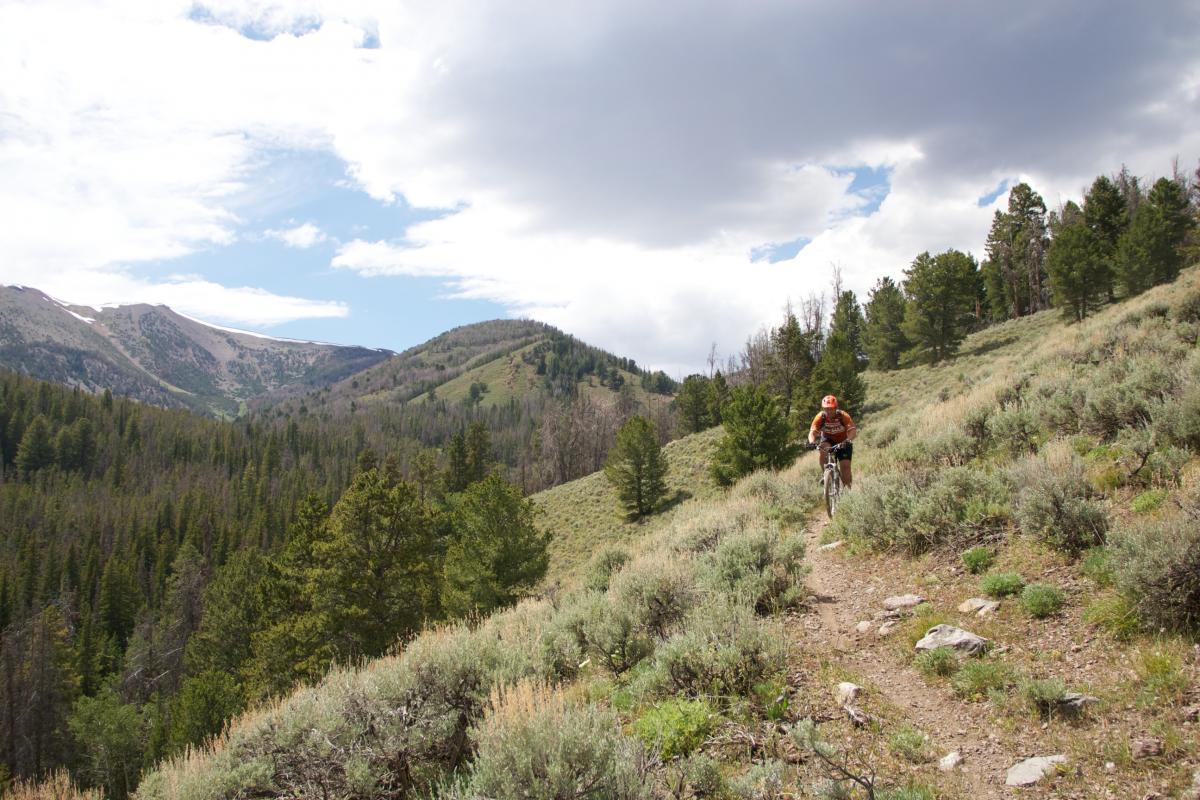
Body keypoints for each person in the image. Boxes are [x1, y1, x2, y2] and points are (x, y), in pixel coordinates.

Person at [808, 395, 857, 489]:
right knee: (823, 450)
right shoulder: (820, 417)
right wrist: (811, 442)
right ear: (823, 409)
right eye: (826, 409)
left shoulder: (843, 416)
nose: (829, 411)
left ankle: (847, 493)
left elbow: (853, 431)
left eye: (831, 409)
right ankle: (826, 475)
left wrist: (848, 440)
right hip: (828, 439)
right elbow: (812, 432)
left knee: (845, 468)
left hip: (843, 441)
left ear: (836, 408)